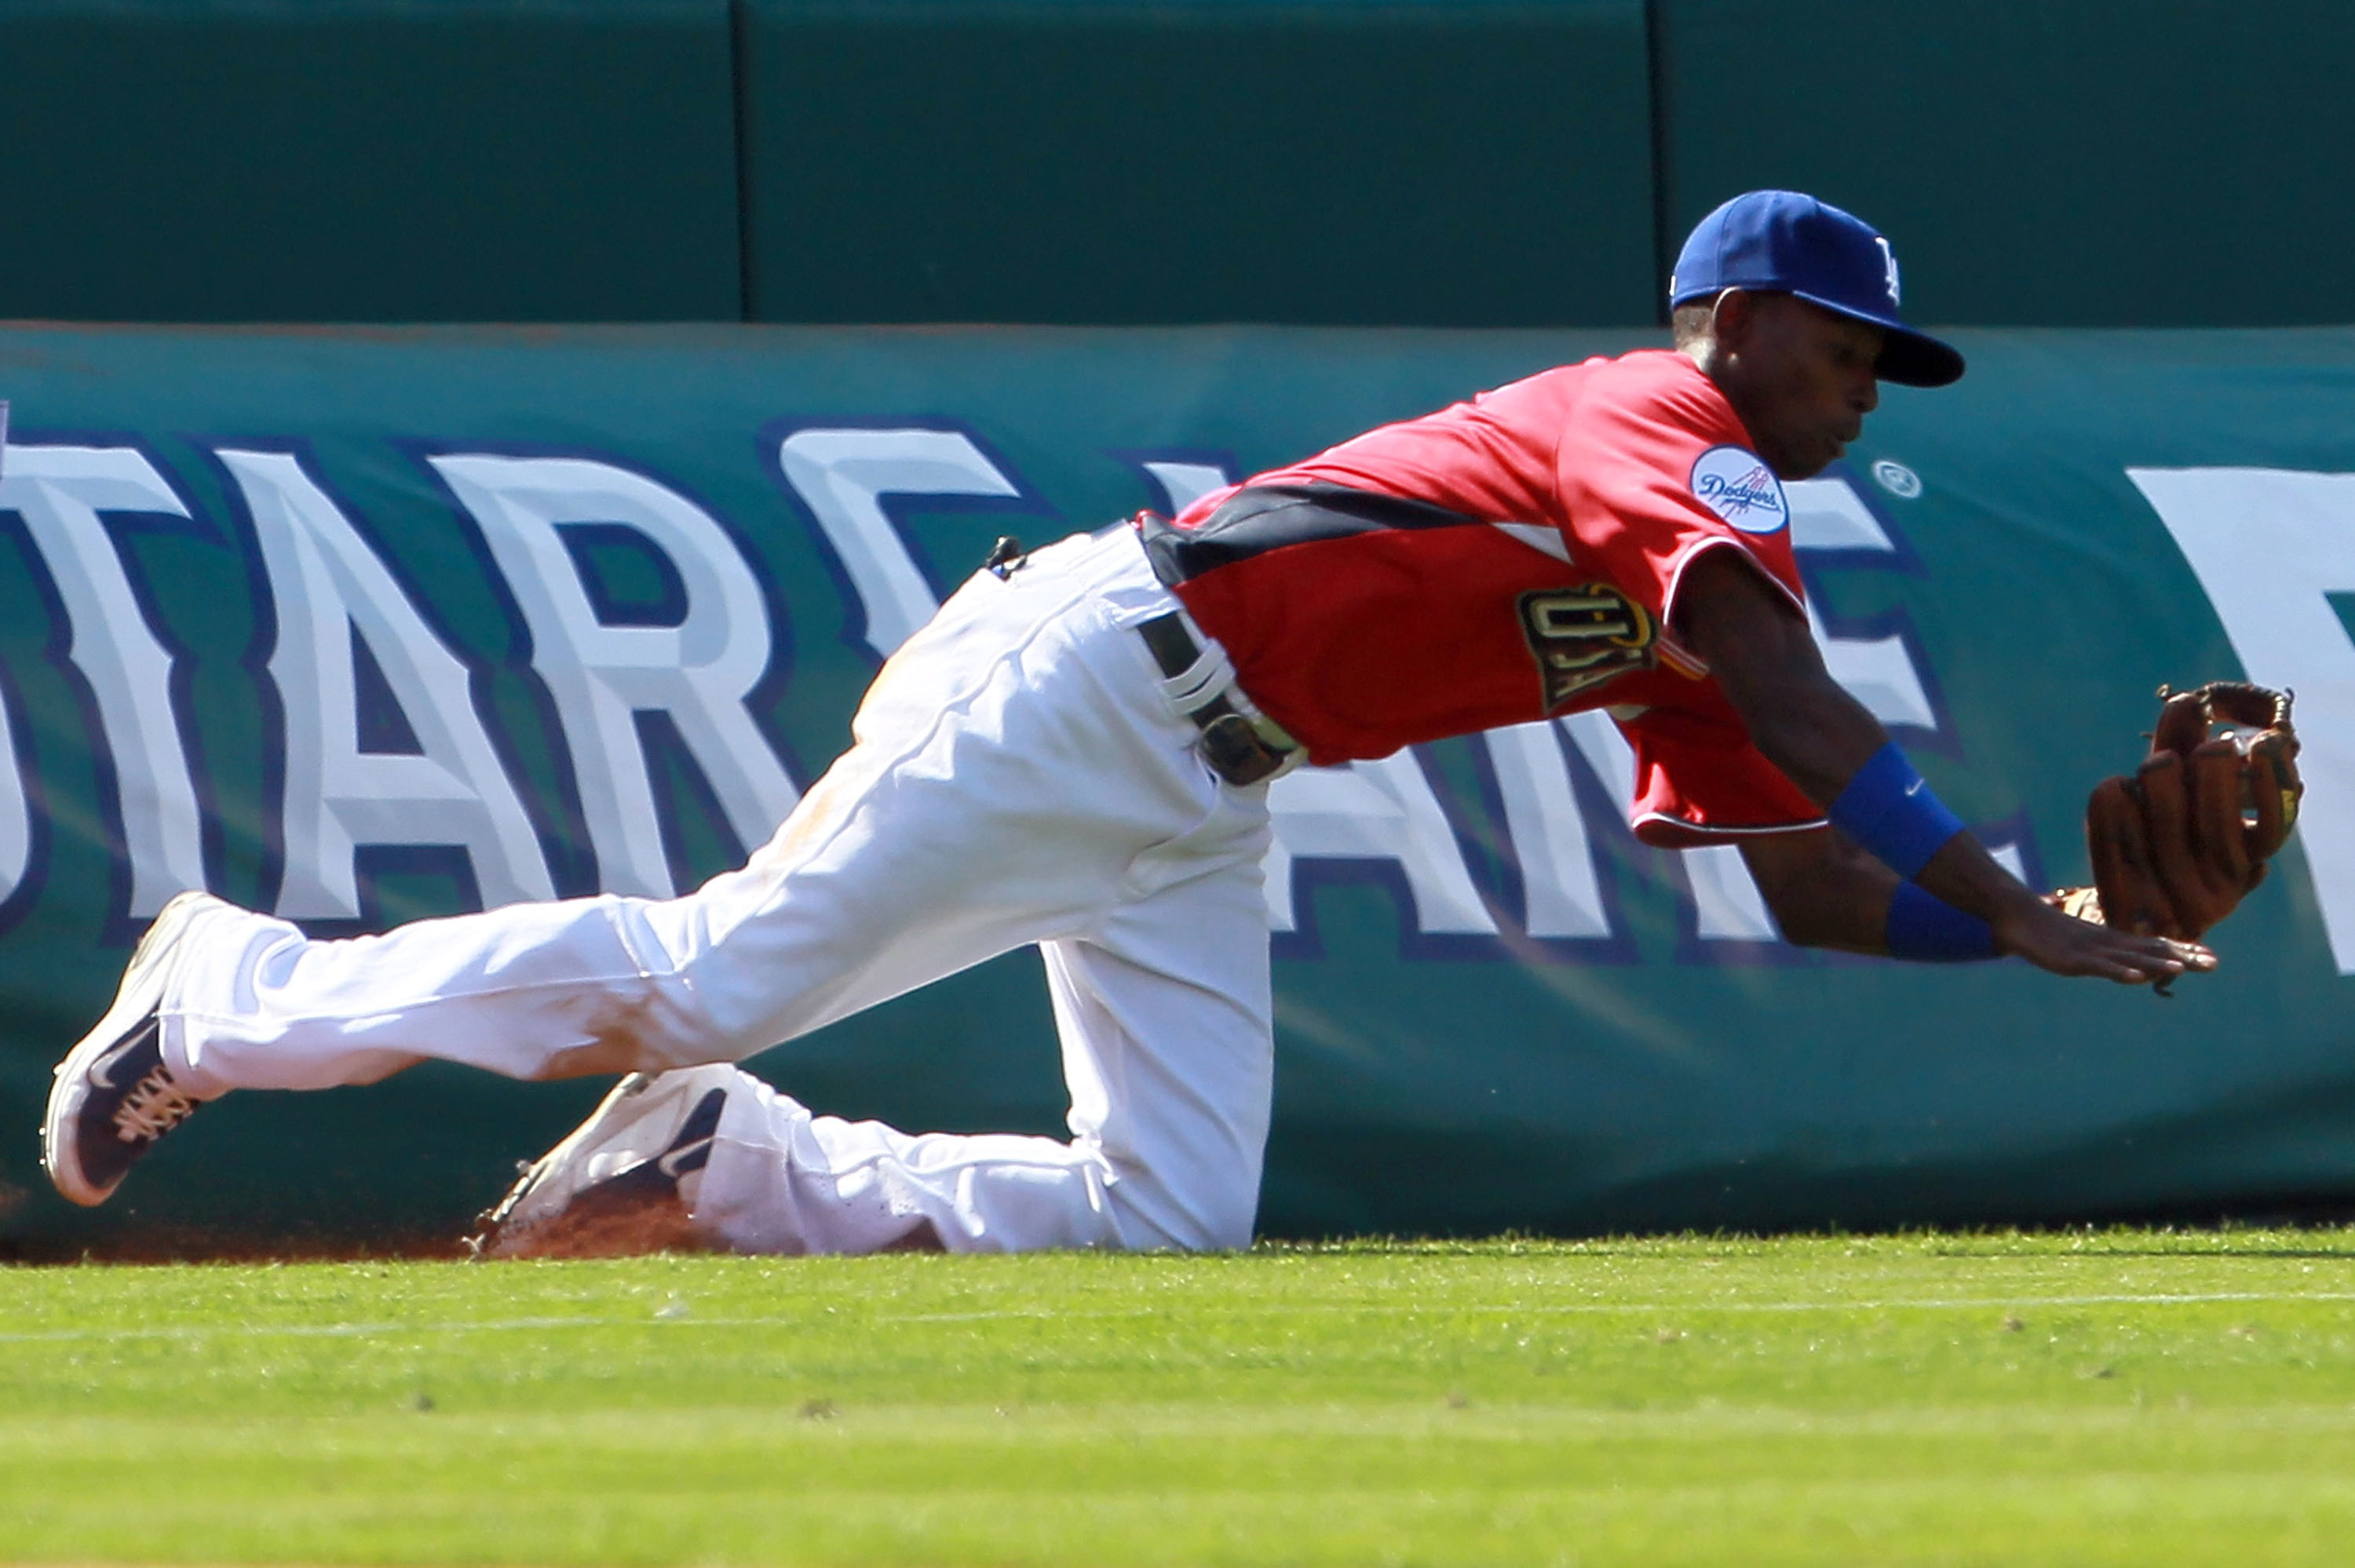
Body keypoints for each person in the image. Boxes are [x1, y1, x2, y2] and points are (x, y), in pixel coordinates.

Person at [40, 191, 2211, 1257]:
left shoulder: (1711, 563)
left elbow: (1819, 887)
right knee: (723, 969)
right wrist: (2015, 910)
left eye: (1877, 367)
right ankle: (234, 993)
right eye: (1847, 349)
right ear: (1739, 320)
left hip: (1202, 780)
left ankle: (747, 1165)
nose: (1863, 388)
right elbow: (1786, 694)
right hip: (1108, 673)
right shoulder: (1665, 420)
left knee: (1171, 1212)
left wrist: (2030, 905)